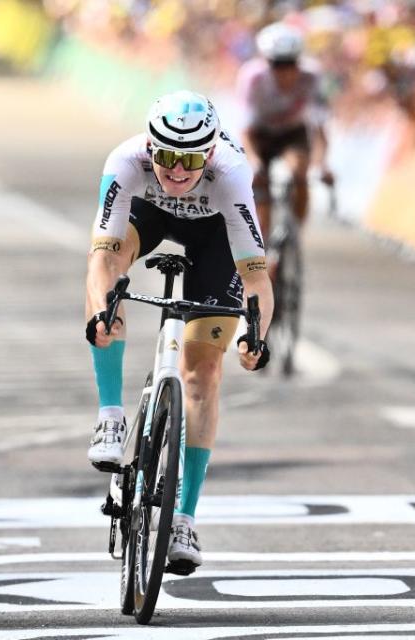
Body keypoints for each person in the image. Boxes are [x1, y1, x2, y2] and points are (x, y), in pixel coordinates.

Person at [84, 90, 274, 574]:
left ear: (209, 153)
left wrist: (257, 335)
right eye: (164, 156)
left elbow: (255, 276)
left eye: (188, 159)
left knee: (201, 371)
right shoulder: (126, 162)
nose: (175, 171)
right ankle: (110, 416)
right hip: (148, 215)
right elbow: (103, 255)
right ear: (150, 146)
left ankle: (184, 518)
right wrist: (101, 310)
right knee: (110, 289)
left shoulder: (231, 174)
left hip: (214, 234)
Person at [236, 21, 334, 247]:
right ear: (266, 62)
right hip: (259, 135)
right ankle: (263, 244)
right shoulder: (253, 78)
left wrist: (323, 164)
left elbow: (320, 128)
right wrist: (254, 161)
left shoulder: (312, 77)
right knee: (259, 184)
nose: (285, 71)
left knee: (300, 170)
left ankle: (294, 236)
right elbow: (245, 129)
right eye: (277, 65)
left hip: (292, 132)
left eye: (291, 64)